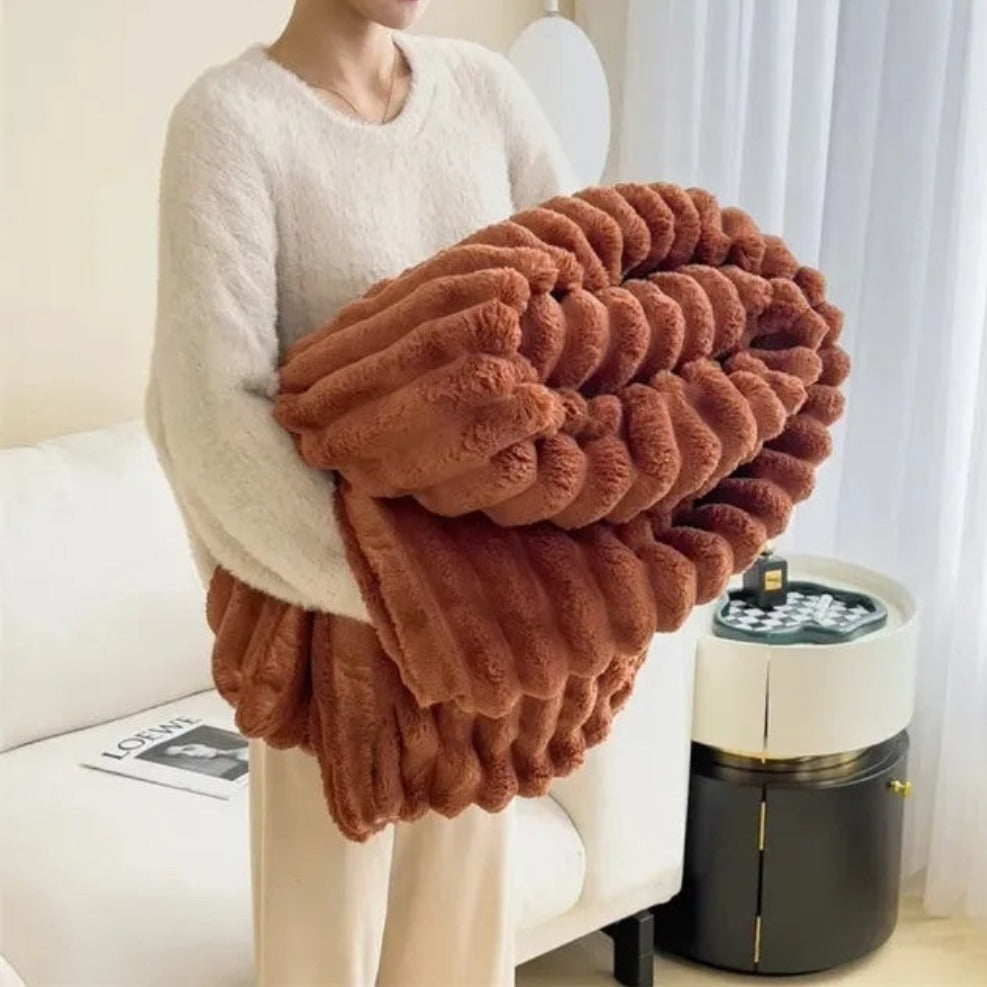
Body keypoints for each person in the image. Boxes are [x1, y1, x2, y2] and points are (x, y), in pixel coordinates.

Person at [144, 0, 575, 983]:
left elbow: (581, 308)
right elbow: (210, 415)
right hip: (321, 633)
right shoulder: (229, 122)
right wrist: (407, 593)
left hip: (479, 626)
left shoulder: (488, 95)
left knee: (461, 959)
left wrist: (520, 582)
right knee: (317, 957)